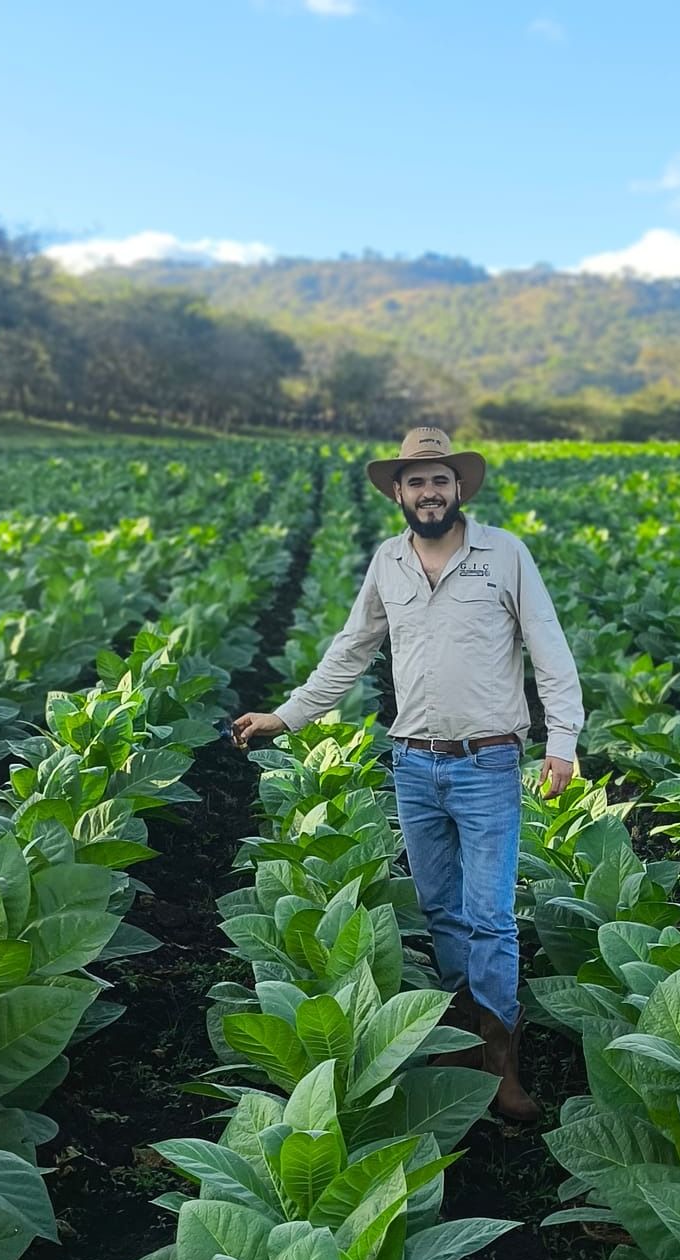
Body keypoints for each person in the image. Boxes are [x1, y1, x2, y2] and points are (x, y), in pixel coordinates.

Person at [232, 427, 584, 1122]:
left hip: (487, 762)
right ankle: (457, 1045)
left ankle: (499, 1058)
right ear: (399, 492)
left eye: (440, 480)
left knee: (489, 917)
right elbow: (351, 650)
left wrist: (562, 738)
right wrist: (287, 716)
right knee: (444, 913)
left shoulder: (504, 555)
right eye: (416, 481)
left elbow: (549, 647)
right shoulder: (388, 561)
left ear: (459, 489)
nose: (429, 493)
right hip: (414, 764)